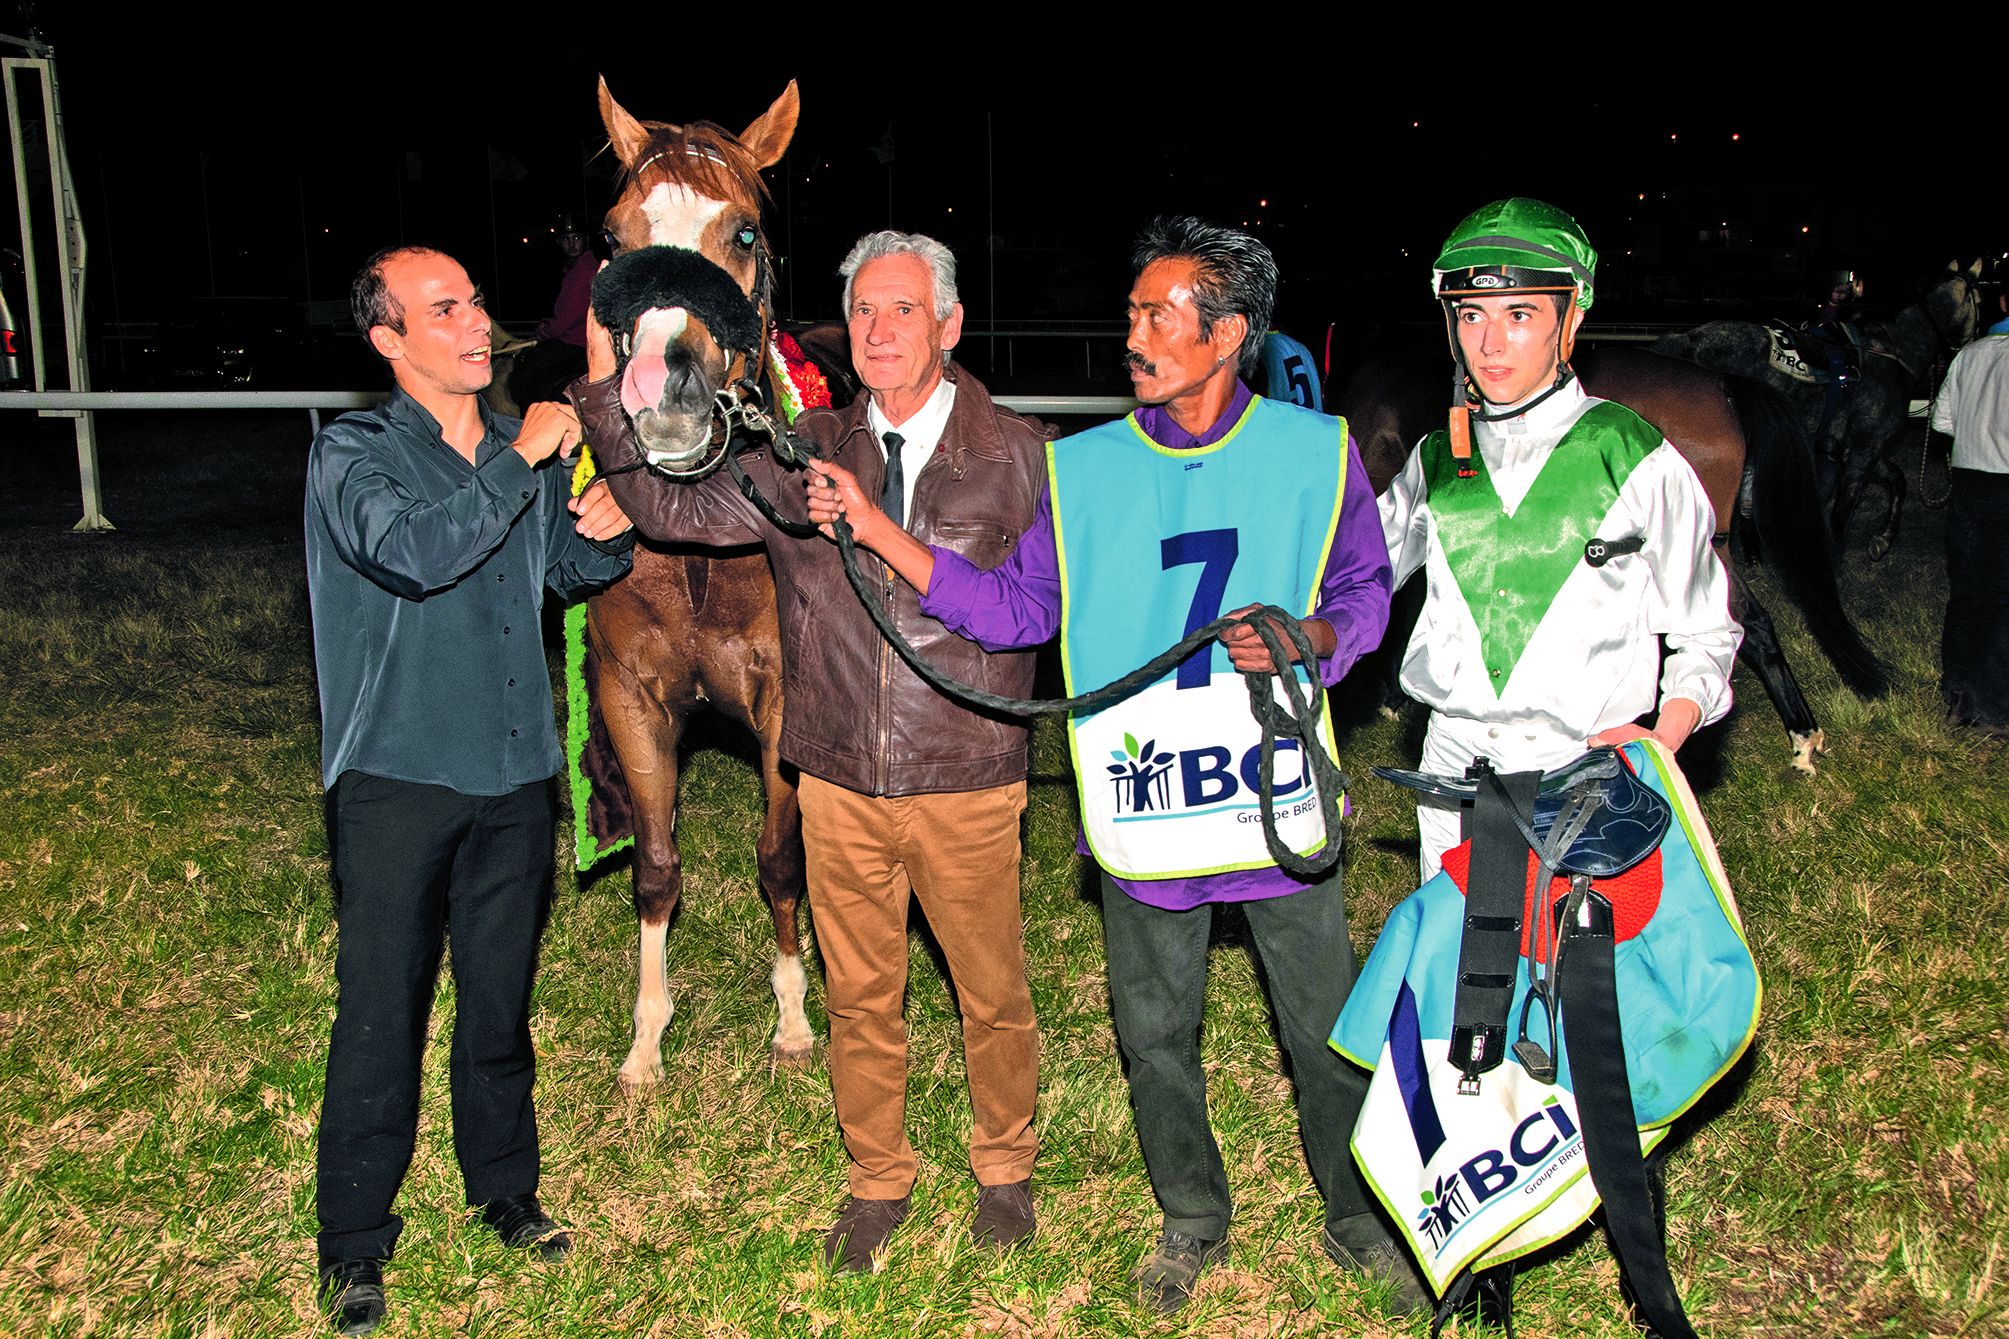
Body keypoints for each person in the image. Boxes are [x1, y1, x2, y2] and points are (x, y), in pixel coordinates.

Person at [807, 216, 1404, 1314]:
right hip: (1146, 802)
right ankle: (1189, 1214)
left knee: (1323, 1030)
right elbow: (1016, 608)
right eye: (1131, 310)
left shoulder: (1316, 457)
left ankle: (1355, 1213)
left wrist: (1312, 639)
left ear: (1225, 336)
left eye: (1158, 315)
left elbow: (1363, 593)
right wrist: (878, 533)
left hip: (1273, 793)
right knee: (1154, 1035)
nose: (1132, 333)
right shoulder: (1076, 472)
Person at [572, 231, 1048, 1274]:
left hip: (962, 771)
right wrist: (616, 389)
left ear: (949, 326)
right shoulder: (802, 448)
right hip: (833, 775)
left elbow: (1027, 617)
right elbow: (672, 506)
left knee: (990, 993)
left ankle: (1002, 1171)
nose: (878, 332)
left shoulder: (1020, 453)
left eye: (903, 311)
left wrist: (879, 530)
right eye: (863, 311)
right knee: (860, 995)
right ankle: (877, 1179)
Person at [306, 245, 634, 1336]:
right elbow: (414, 553)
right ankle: (354, 1241)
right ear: (388, 341)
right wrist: (527, 460)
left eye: (476, 299)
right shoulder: (355, 454)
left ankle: (504, 1185)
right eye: (441, 308)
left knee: (499, 1002)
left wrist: (603, 537)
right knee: (380, 1016)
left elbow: (547, 571)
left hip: (513, 770)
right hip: (398, 776)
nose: (474, 320)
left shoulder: (511, 450)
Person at [1378, 198, 1741, 879]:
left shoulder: (1633, 455)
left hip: (1582, 773)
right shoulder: (1433, 459)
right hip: (1450, 766)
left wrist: (1660, 741)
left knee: (1576, 979)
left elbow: (1706, 629)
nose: (1488, 344)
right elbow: (1352, 577)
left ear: (1568, 320)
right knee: (1461, 974)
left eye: (1519, 315)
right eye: (1470, 315)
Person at [1930, 323, 2009, 734]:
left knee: (1966, 593)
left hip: (1967, 485)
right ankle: (1992, 707)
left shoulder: (1971, 352)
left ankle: (1957, 691)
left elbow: (1942, 420)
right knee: (2001, 599)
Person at [505, 216, 595, 408]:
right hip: (572, 338)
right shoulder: (576, 267)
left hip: (574, 344)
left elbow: (569, 317)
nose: (571, 244)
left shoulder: (584, 269)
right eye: (566, 239)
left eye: (576, 238)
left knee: (525, 381)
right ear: (559, 242)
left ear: (586, 239)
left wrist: (547, 331)